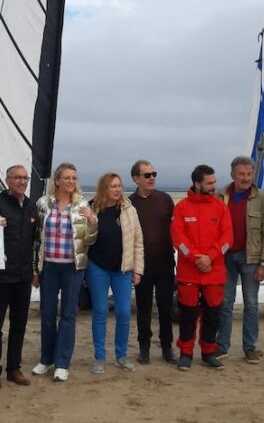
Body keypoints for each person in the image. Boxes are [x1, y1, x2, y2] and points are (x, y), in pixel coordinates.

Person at [31, 162, 97, 382]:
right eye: (67, 178)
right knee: (47, 314)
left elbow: (89, 240)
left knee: (68, 315)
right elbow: (35, 239)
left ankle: (62, 363)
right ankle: (46, 359)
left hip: (72, 267)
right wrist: (34, 268)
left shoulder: (82, 204)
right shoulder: (43, 203)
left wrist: (92, 222)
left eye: (74, 178)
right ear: (57, 180)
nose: (71, 181)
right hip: (49, 266)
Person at [170, 164, 233, 370]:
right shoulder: (182, 208)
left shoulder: (221, 208)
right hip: (189, 271)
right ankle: (185, 353)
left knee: (213, 315)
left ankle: (208, 352)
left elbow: (227, 238)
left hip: (214, 271)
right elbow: (178, 239)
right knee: (188, 314)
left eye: (214, 182)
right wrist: (196, 258)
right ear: (197, 184)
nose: (213, 186)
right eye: (209, 183)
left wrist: (211, 257)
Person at [215, 156, 264, 364]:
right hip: (225, 258)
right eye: (242, 174)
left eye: (249, 174)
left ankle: (249, 347)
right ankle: (221, 346)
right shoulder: (220, 196)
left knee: (251, 304)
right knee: (225, 303)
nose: (246, 178)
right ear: (232, 174)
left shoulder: (262, 198)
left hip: (251, 259)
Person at [0, 165, 37, 390]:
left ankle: (14, 368)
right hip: (0, 276)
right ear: (8, 180)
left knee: (19, 324)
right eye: (17, 178)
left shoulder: (32, 206)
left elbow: (35, 242)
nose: (22, 182)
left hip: (23, 276)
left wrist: (35, 271)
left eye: (25, 178)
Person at [86, 172, 144, 374]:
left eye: (119, 185)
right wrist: (90, 221)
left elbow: (138, 241)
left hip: (123, 269)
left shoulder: (129, 209)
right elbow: (84, 239)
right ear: (104, 189)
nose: (118, 189)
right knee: (100, 311)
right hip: (97, 267)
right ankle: (99, 357)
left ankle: (121, 355)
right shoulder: (91, 207)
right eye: (113, 186)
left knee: (123, 312)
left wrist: (138, 270)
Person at [129, 160, 178, 365]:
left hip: (165, 263)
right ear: (136, 179)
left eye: (154, 174)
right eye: (147, 175)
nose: (152, 178)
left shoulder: (165, 199)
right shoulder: (129, 203)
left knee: (166, 307)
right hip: (142, 265)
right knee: (143, 307)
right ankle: (144, 348)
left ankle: (167, 347)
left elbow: (176, 228)